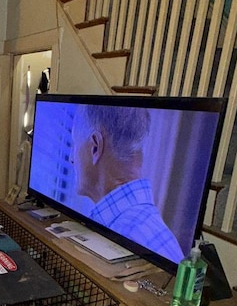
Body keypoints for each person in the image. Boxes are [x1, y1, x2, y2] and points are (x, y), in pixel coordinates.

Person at [69, 106, 184, 264]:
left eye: (74, 145)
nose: (71, 159)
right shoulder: (134, 226)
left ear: (95, 146)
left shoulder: (133, 234)